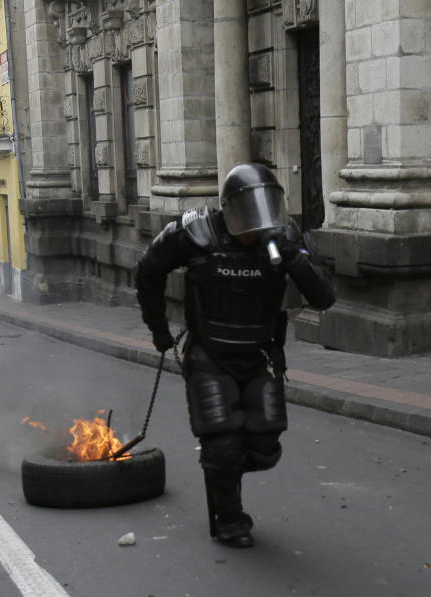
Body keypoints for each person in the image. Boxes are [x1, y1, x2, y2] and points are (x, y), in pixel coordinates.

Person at [134, 163, 337, 548]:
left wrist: (294, 257)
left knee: (265, 447)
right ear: (229, 208)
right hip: (211, 354)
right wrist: (159, 330)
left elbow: (324, 298)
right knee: (222, 443)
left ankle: (221, 470)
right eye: (248, 209)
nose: (256, 221)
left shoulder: (282, 239)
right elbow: (147, 271)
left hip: (260, 354)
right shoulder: (195, 232)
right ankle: (230, 519)